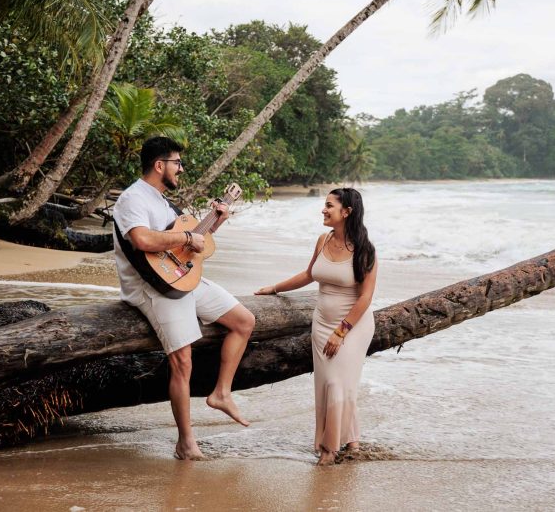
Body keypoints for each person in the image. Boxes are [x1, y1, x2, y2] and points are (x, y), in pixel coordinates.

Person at [113, 136, 255, 460]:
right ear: (159, 165)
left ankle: (221, 393)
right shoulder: (133, 199)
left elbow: (189, 244)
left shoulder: (165, 203)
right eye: (178, 163)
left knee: (244, 321)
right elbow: (142, 239)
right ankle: (186, 443)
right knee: (182, 361)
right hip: (151, 287)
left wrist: (214, 221)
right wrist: (187, 236)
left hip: (182, 277)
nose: (182, 169)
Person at [256, 187, 377, 465]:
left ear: (346, 212)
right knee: (331, 384)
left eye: (329, 206)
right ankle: (352, 442)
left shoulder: (365, 251)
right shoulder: (323, 239)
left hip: (353, 325)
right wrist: (274, 288)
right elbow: (310, 274)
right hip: (322, 322)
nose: (323, 210)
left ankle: (329, 450)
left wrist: (341, 331)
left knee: (337, 381)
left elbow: (366, 297)